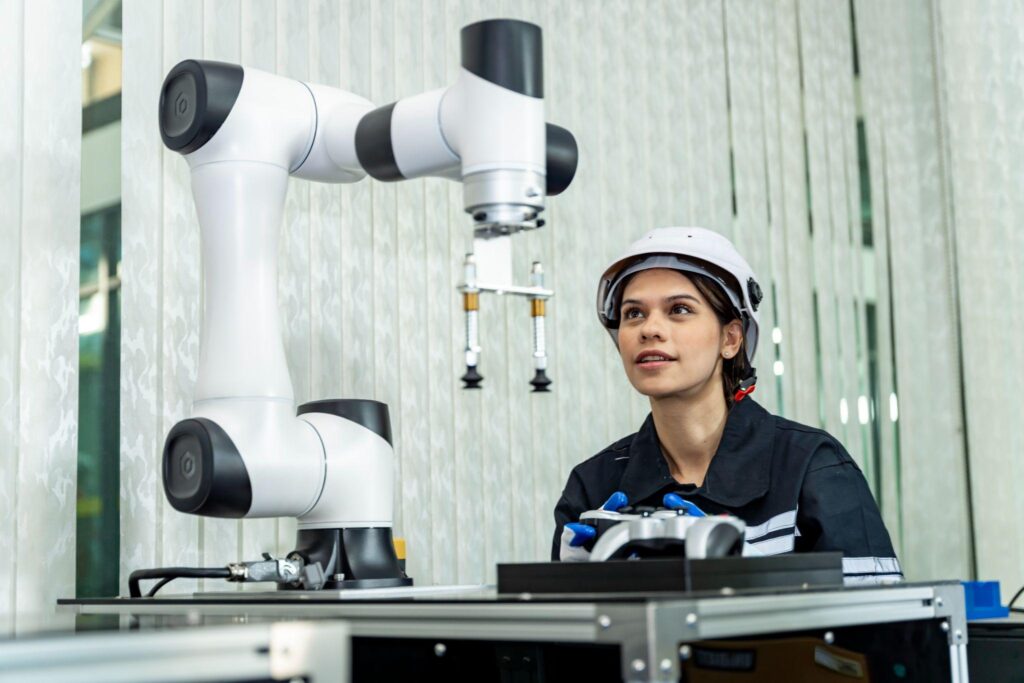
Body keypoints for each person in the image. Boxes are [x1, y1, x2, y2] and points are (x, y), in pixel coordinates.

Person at [551, 227, 902, 585]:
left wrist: (755, 574)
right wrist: (576, 588)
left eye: (679, 309)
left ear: (731, 338)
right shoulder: (594, 486)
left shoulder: (809, 465)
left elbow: (885, 628)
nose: (650, 329)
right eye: (634, 314)